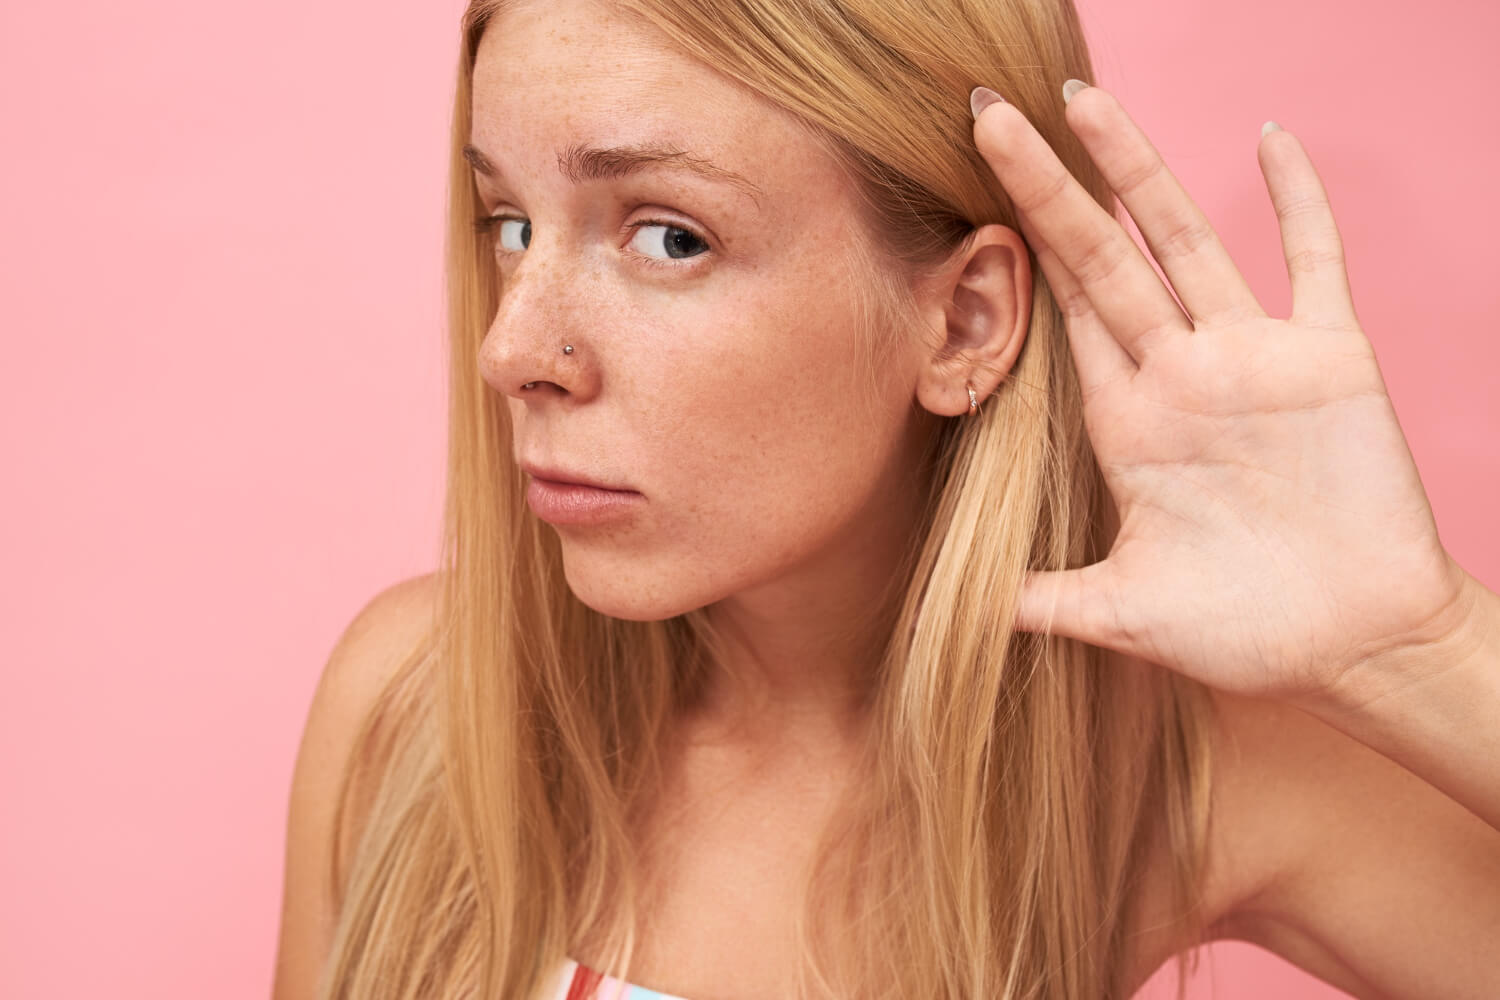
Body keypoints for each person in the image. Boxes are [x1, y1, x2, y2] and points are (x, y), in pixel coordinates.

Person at [272, 0, 1500, 997]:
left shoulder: (1167, 769)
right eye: (511, 223)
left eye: (669, 238)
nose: (514, 350)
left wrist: (1427, 648)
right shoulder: (416, 712)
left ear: (962, 319)